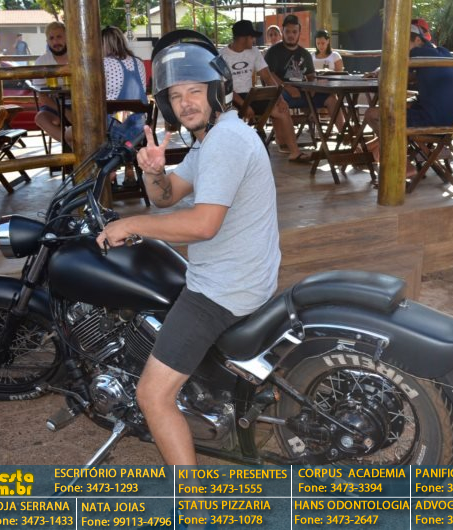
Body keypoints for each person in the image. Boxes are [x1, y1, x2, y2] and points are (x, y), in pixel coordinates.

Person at [96, 31, 280, 468]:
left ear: (216, 91)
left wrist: (130, 224)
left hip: (222, 289)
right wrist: (153, 170)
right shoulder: (213, 138)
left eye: (195, 91)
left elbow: (202, 225)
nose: (186, 103)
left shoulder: (226, 142)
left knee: (152, 396)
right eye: (176, 96)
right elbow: (166, 197)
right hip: (240, 275)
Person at [363, 18, 453, 169]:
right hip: (451, 121)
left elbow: (391, 74)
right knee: (400, 107)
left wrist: (380, 71)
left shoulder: (416, 53)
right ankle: (372, 150)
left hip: (432, 121)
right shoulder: (444, 52)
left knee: (372, 114)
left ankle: (403, 164)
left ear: (417, 40)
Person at [220, 20, 311, 163]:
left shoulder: (254, 51)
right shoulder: (222, 55)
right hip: (230, 98)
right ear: (244, 38)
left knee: (282, 109)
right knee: (227, 116)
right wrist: (244, 105)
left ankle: (295, 152)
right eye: (252, 37)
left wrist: (280, 99)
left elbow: (267, 76)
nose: (254, 40)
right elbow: (224, 87)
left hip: (251, 95)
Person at [264, 15, 342, 133]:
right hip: (281, 94)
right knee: (277, 101)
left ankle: (344, 134)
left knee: (332, 98)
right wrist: (287, 87)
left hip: (303, 92)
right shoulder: (273, 51)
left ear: (299, 33)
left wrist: (314, 85)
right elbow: (269, 75)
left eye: (294, 32)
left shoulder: (305, 54)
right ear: (283, 32)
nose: (291, 35)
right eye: (288, 31)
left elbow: (311, 76)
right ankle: (284, 139)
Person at [101, 26, 148, 186]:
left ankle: (109, 170)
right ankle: (129, 168)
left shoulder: (104, 63)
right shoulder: (138, 62)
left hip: (115, 127)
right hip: (139, 126)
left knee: (91, 127)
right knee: (125, 115)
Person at [33, 22, 70, 144]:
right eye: (51, 38)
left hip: (79, 105)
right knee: (40, 118)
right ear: (47, 41)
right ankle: (72, 144)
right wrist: (65, 112)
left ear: (67, 37)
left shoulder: (79, 58)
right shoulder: (41, 61)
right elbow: (42, 97)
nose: (55, 42)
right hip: (54, 106)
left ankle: (72, 144)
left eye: (59, 37)